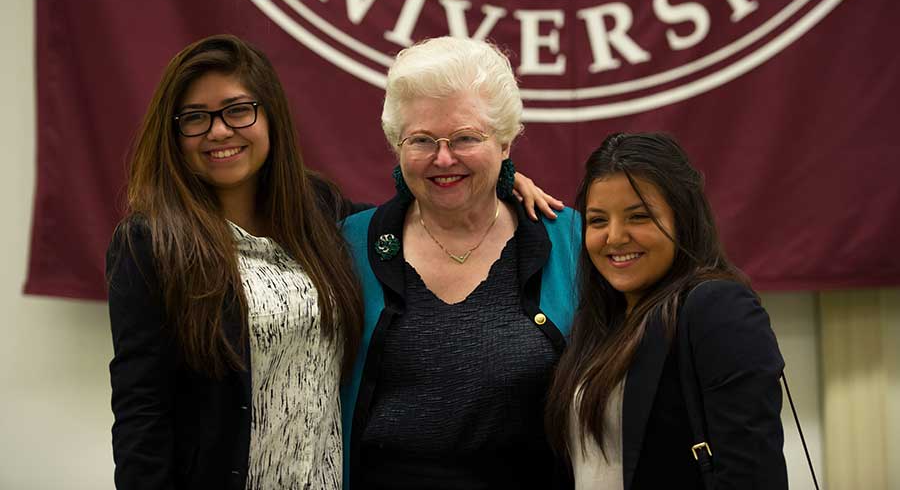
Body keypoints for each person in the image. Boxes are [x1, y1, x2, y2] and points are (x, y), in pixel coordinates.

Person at [107, 34, 560, 490]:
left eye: (237, 110)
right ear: (173, 132)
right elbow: (141, 409)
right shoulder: (151, 244)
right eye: (195, 118)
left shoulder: (317, 213)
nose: (219, 130)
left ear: (270, 117)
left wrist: (496, 172)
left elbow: (426, 193)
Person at [340, 36, 581, 489]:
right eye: (422, 140)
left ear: (505, 142)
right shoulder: (347, 244)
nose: (443, 158)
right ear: (396, 145)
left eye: (467, 138)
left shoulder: (571, 240)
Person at [545, 132, 787, 489]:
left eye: (638, 216)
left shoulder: (718, 309)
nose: (614, 236)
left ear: (682, 218)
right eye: (597, 221)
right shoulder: (597, 321)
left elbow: (752, 474)